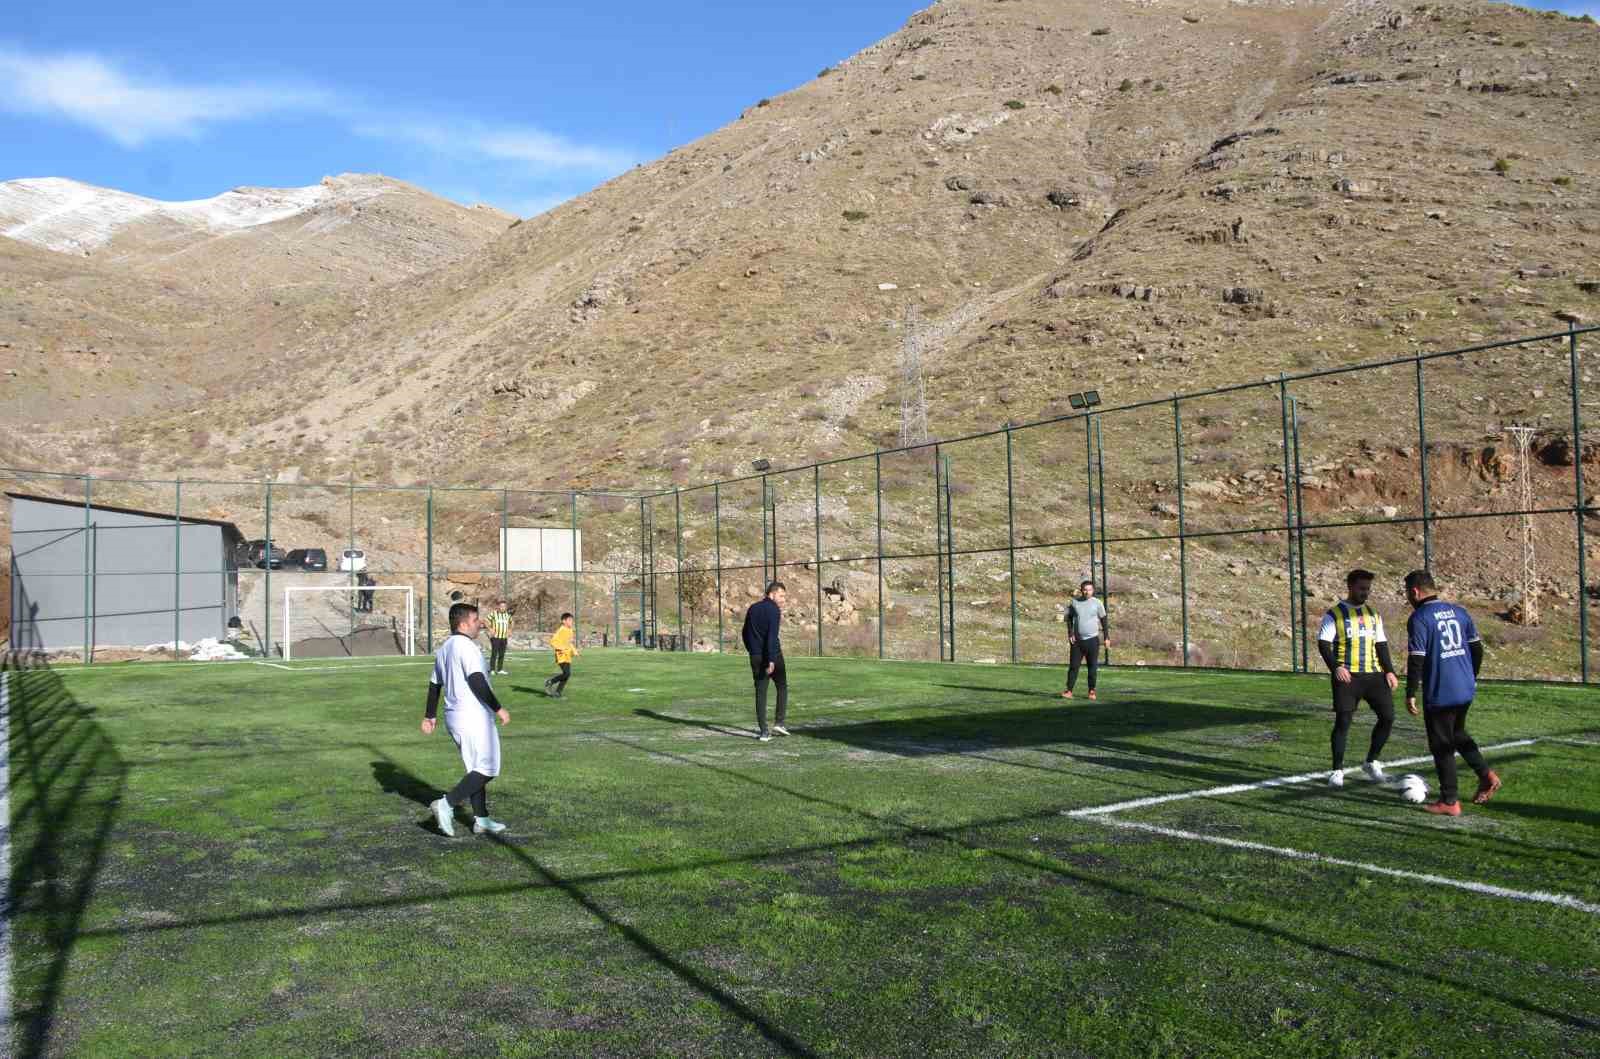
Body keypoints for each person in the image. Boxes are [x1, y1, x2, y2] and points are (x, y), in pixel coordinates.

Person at [1404, 569, 1500, 815]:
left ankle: (1449, 801)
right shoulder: (1460, 611)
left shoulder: (1420, 617)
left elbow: (1417, 659)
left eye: (1408, 593)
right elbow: (1477, 649)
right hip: (1464, 687)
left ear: (1415, 591)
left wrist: (1411, 691)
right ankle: (1486, 775)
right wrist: (1471, 676)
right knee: (1457, 733)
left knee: (1441, 743)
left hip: (1441, 691)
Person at [421, 602, 510, 836]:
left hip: (455, 716)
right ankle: (446, 803)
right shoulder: (466, 646)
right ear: (462, 624)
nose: (479, 623)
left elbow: (434, 684)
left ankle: (481, 819)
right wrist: (499, 708)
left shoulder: (445, 648)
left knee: (475, 768)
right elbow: (477, 681)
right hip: (472, 716)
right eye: (475, 620)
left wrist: (430, 715)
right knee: (488, 768)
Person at [1317, 569, 1398, 788]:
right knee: (1343, 721)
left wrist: (1389, 670)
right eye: (1362, 588)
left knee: (1388, 717)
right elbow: (1324, 644)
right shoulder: (1334, 614)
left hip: (1374, 675)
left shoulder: (1373, 614)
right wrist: (1335, 667)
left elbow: (1381, 644)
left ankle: (1371, 761)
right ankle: (1337, 770)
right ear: (1350, 587)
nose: (1365, 593)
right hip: (1348, 678)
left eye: (1368, 589)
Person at [741, 581, 788, 741]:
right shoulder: (774, 610)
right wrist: (771, 660)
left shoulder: (753, 608)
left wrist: (753, 651)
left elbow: (744, 633)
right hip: (772, 655)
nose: (783, 599)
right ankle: (779, 723)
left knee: (760, 692)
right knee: (781, 685)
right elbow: (771, 636)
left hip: (755, 656)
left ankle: (764, 733)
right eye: (781, 596)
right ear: (772, 593)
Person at [1061, 580, 1109, 700]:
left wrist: (1107, 637)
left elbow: (1104, 620)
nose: (1087, 592)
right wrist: (1070, 633)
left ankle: (1091, 691)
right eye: (1085, 589)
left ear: (1093, 591)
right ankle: (1069, 691)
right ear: (1081, 590)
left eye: (1090, 589)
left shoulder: (1097, 603)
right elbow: (1069, 618)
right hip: (1077, 641)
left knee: (1092, 666)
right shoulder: (1074, 602)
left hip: (1092, 640)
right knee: (1073, 667)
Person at [543, 612, 579, 698]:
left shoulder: (570, 630)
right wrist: (561, 648)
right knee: (566, 673)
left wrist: (574, 651)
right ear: (563, 621)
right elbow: (553, 641)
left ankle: (558, 692)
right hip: (561, 655)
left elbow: (569, 643)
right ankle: (551, 681)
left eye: (572, 620)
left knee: (567, 674)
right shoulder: (561, 630)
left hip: (567, 655)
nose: (571, 622)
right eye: (569, 620)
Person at [485, 599, 512, 675]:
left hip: (504, 637)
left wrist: (510, 630)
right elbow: (485, 620)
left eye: (504, 606)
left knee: (502, 654)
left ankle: (500, 669)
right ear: (498, 607)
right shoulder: (494, 614)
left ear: (506, 607)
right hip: (495, 637)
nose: (503, 608)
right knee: (494, 653)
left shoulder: (507, 615)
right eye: (501, 606)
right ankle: (492, 669)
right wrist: (490, 628)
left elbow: (512, 622)